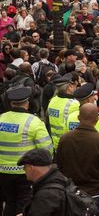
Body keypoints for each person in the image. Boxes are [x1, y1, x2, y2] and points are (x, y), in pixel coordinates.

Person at [0, 87, 53, 216]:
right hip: (25, 173)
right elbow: (47, 149)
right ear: (27, 102)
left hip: (2, 172)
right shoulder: (33, 122)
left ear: (11, 103)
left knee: (10, 203)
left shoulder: (1, 118)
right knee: (24, 206)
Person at [56, 103, 99, 208]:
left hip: (72, 195)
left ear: (78, 118)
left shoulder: (65, 139)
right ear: (97, 119)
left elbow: (59, 166)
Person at [19, 149, 66, 216]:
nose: (24, 170)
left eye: (25, 167)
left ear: (31, 168)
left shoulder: (45, 195)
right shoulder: (59, 178)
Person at [46, 73, 79, 149]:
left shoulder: (53, 100)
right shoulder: (74, 104)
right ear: (70, 86)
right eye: (75, 86)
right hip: (68, 144)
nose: (76, 89)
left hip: (55, 143)